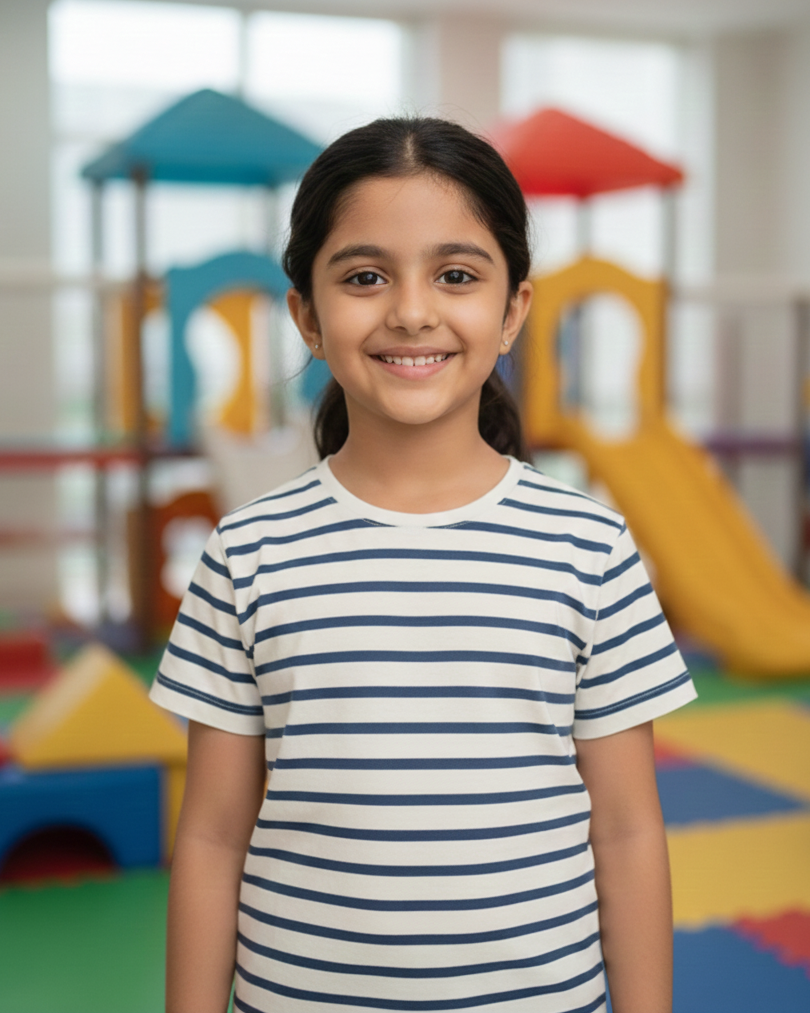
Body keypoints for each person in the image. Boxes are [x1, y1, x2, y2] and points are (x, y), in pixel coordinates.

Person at [150, 116, 696, 1013]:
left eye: (456, 274)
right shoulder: (246, 553)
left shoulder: (590, 547)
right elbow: (211, 836)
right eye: (365, 276)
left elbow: (630, 829)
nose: (411, 310)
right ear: (307, 317)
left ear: (514, 308)